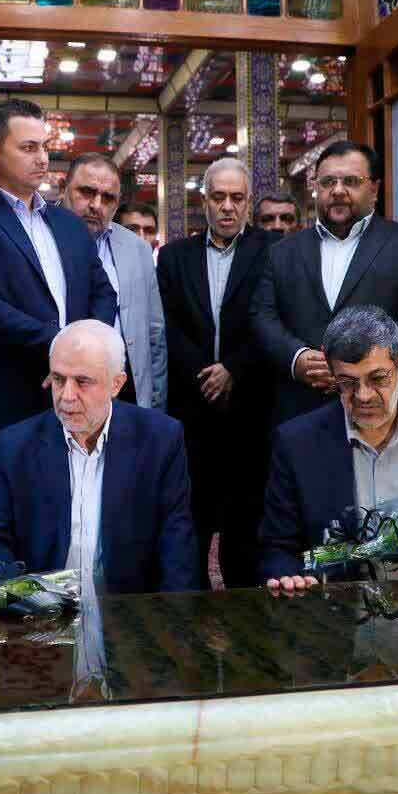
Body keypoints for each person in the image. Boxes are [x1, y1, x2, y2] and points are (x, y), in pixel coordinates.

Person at [0, 99, 117, 528]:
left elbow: (103, 292)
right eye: (28, 147)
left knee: (70, 521)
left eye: (45, 147)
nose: (42, 159)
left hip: (75, 400)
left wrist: (85, 352)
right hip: (5, 400)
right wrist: (58, 345)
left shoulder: (68, 224)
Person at [258, 306, 398, 593]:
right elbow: (277, 548)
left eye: (378, 378)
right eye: (347, 383)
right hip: (335, 608)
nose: (363, 396)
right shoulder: (296, 443)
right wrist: (287, 577)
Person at [0, 320, 204, 594]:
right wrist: (26, 600)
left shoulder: (159, 441)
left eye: (82, 381)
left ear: (117, 384)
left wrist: (167, 618)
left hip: (128, 611)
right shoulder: (14, 446)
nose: (67, 396)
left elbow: (177, 547)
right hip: (38, 612)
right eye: (58, 379)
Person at [252, 140, 398, 425]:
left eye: (351, 181)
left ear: (374, 189)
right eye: (328, 182)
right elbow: (262, 315)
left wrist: (366, 359)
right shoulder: (282, 252)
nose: (338, 190)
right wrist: (297, 358)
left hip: (380, 408)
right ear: (316, 187)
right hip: (300, 409)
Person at [156, 157, 281, 589]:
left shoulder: (274, 251)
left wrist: (234, 369)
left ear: (248, 203)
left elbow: (273, 320)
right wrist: (206, 374)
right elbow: (167, 325)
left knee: (245, 530)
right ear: (203, 201)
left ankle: (246, 619)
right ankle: (188, 617)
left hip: (251, 410)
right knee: (191, 523)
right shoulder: (174, 257)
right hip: (192, 411)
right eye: (218, 197)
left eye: (237, 198)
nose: (228, 206)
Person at [60, 153, 167, 409]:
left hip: (125, 389)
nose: (96, 205)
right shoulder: (40, 236)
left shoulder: (137, 249)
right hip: (61, 388)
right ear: (64, 188)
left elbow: (154, 333)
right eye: (87, 192)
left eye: (108, 198)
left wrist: (155, 405)